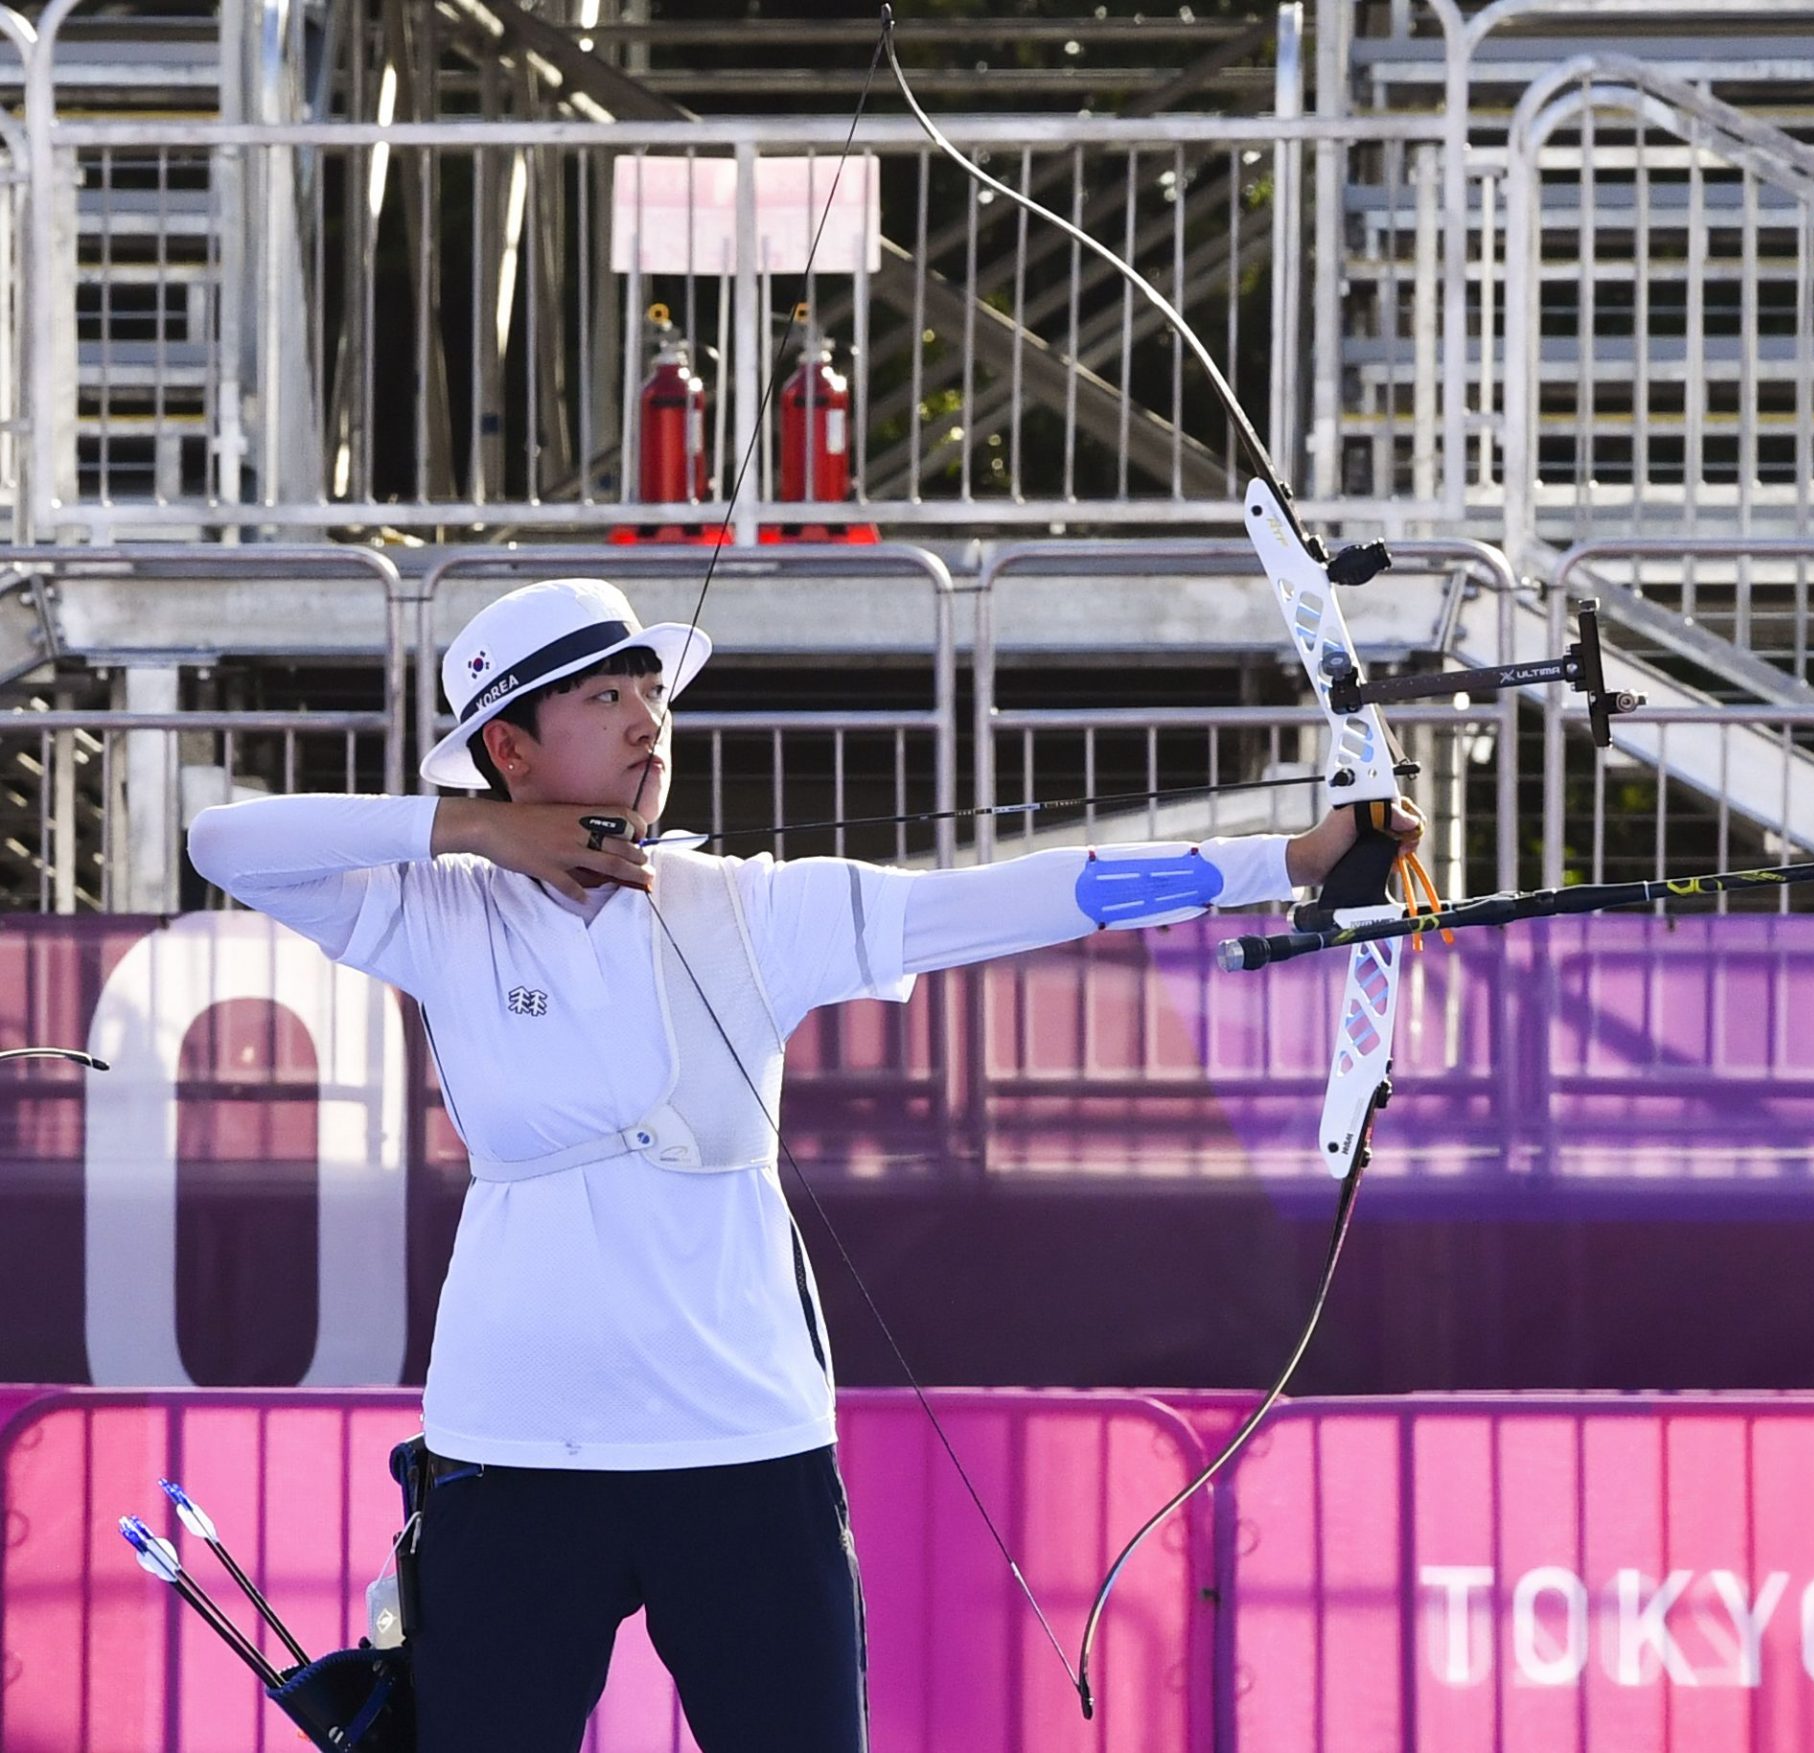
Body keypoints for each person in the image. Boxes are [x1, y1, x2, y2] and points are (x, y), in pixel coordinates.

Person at [186, 575, 1417, 1752]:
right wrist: (479, 834)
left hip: (741, 1453)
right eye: (603, 699)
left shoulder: (752, 906)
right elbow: (223, 839)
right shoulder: (439, 906)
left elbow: (1030, 897)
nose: (645, 721)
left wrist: (1292, 863)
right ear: (510, 749)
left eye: (646, 693)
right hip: (513, 1454)